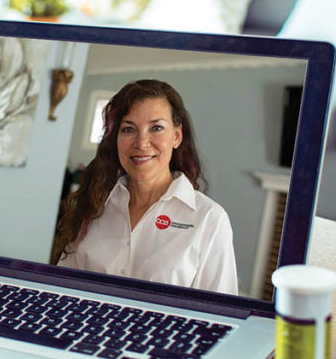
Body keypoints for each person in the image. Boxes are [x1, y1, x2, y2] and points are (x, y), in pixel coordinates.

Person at [53, 79, 238, 294]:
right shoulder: (93, 204)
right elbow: (62, 289)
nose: (141, 143)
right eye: (128, 129)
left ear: (177, 136)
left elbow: (219, 317)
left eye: (156, 128)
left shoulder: (209, 219)